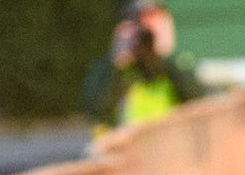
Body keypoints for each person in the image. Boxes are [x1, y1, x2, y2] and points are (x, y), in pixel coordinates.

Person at [80, 1, 204, 130]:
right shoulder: (112, 69)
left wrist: (166, 54)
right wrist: (117, 64)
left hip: (167, 144)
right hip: (126, 146)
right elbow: (94, 111)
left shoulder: (177, 65)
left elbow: (198, 104)